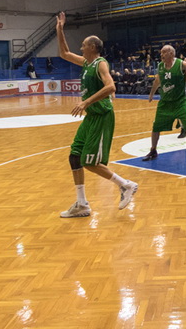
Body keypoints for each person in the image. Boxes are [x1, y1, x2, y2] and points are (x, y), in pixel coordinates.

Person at [53, 11, 139, 219]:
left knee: (90, 162)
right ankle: (81, 204)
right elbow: (64, 53)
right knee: (75, 157)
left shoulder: (100, 63)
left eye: (83, 45)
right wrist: (59, 30)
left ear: (92, 47)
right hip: (91, 117)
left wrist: (86, 101)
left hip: (101, 116)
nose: (81, 47)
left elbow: (110, 86)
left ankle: (126, 185)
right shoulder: (86, 63)